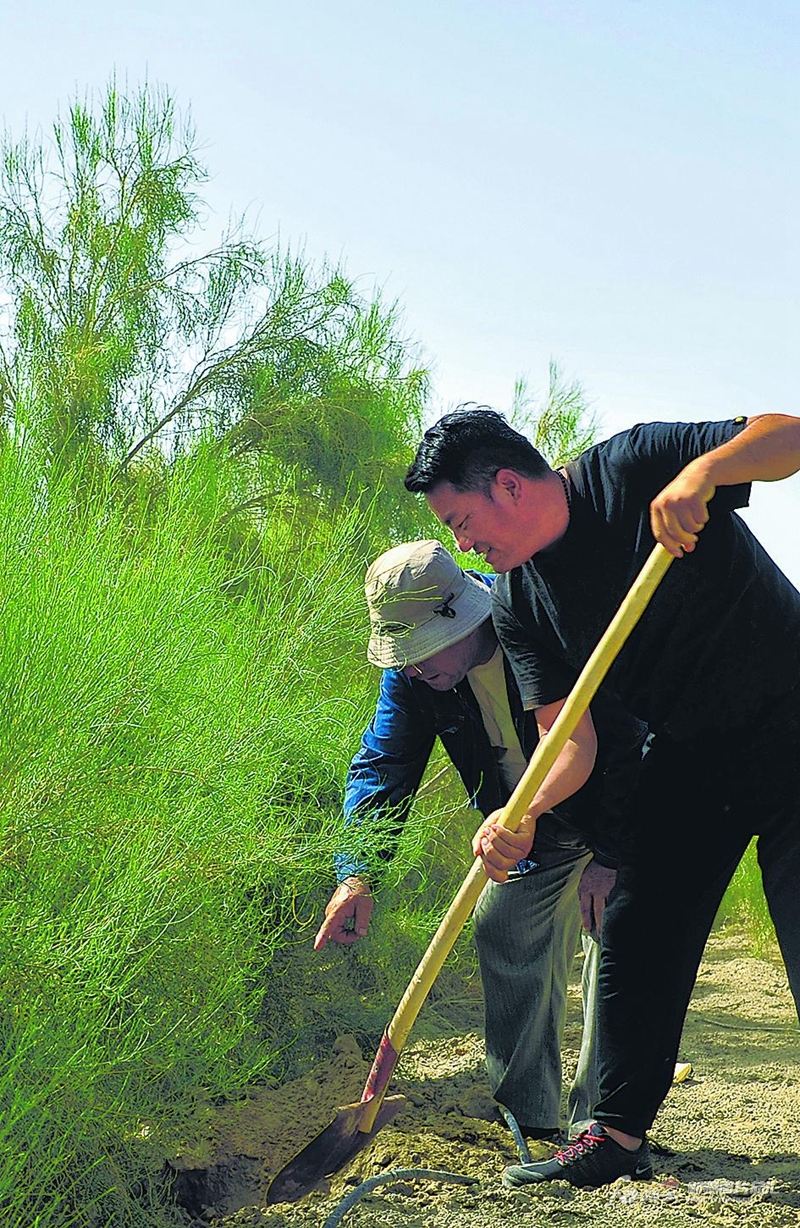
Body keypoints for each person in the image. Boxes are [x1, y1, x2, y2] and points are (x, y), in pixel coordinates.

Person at [405, 408, 800, 1188]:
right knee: (637, 925)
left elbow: (788, 435)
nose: (463, 544)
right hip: (689, 754)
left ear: (508, 484)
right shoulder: (518, 601)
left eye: (460, 521)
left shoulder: (634, 465)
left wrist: (707, 473)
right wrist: (516, 814)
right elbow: (571, 744)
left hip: (791, 711)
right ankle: (615, 1135)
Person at [314, 539, 647, 1140]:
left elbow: (625, 737)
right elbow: (383, 765)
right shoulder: (415, 680)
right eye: (401, 655)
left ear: (468, 615)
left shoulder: (538, 618)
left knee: (613, 930)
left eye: (420, 650)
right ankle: (532, 1124)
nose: (413, 667)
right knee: (504, 925)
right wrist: (357, 873)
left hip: (616, 801)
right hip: (525, 822)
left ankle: (603, 1125)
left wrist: (612, 856)